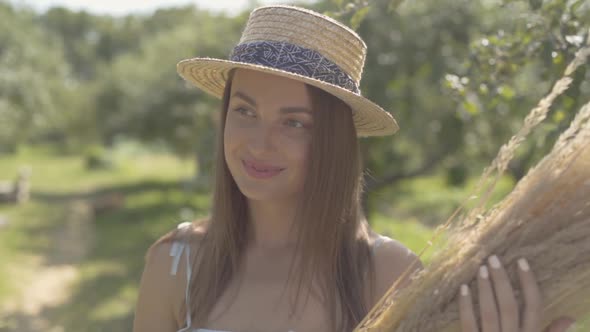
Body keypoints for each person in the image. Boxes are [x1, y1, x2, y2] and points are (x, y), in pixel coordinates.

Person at [132, 5, 576, 332]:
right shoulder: (177, 264)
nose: (259, 143)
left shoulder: (386, 274)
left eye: (293, 122)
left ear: (333, 142)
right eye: (245, 111)